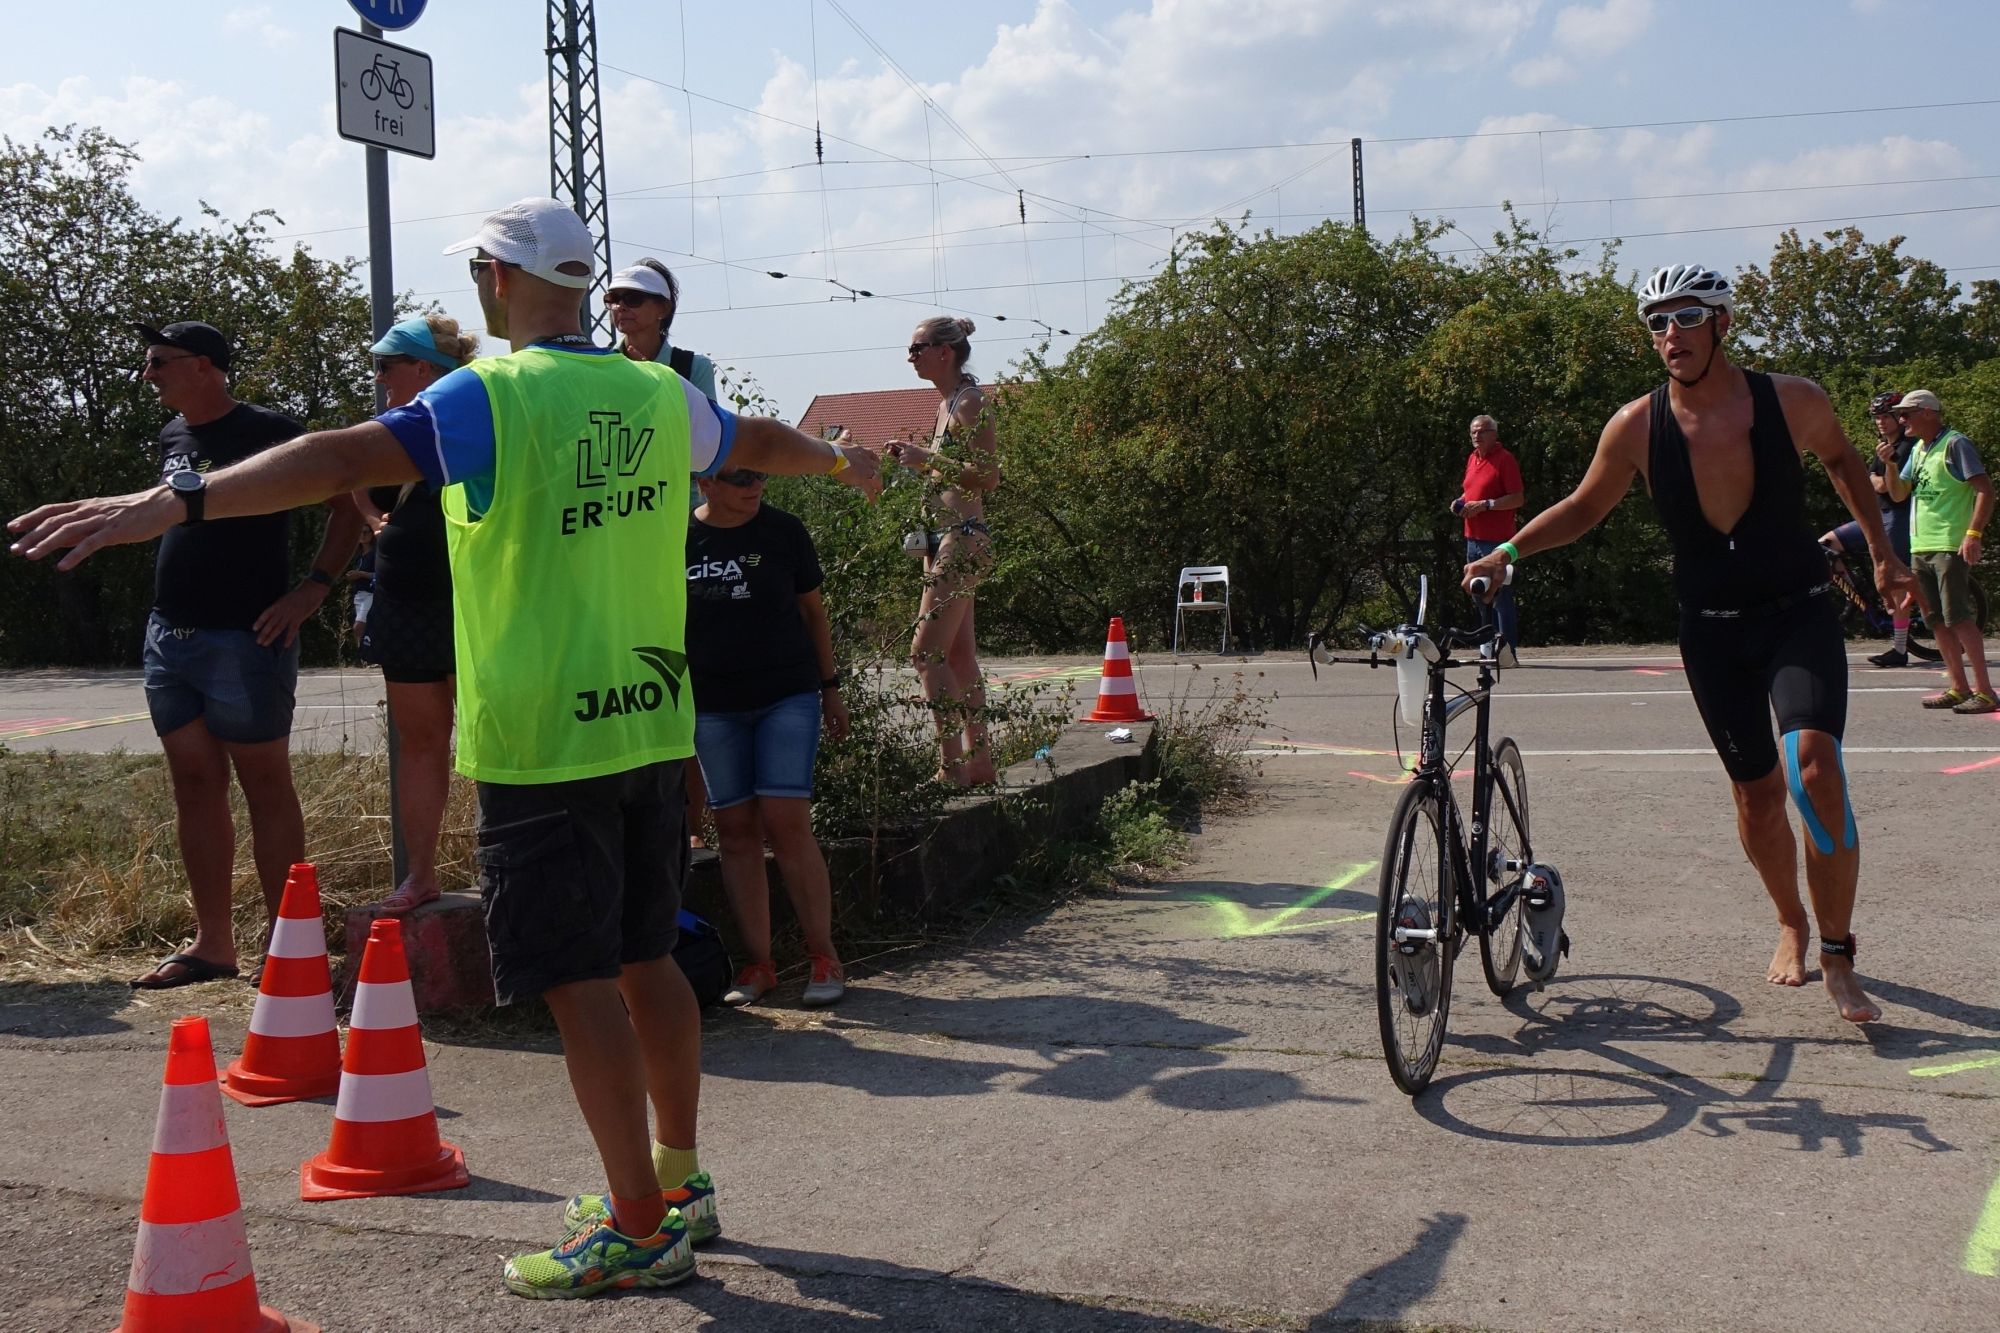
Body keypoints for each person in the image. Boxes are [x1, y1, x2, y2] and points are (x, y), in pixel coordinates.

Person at [10, 197, 882, 1299]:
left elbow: (338, 456)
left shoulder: (494, 393)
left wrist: (176, 500)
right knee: (645, 955)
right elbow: (755, 441)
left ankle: (635, 1226)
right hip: (652, 724)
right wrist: (838, 461)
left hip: (545, 737)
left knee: (576, 977)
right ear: (581, 282)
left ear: (495, 277)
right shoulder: (657, 391)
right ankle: (676, 1180)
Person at [1464, 264, 1916, 1026]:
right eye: (1657, 323)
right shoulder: (1637, 427)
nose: (1670, 334)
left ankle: (1839, 953)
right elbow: (1583, 506)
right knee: (1758, 797)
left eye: (1686, 317)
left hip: (1798, 613)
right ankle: (1791, 921)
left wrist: (1882, 552)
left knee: (1814, 769)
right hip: (1712, 629)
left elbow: (1844, 460)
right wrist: (1507, 553)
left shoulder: (1791, 400)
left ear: (1722, 324)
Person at [124, 320, 365, 989]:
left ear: (204, 366)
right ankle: (213, 946)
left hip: (247, 635)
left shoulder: (270, 430)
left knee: (265, 785)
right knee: (194, 783)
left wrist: (313, 590)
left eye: (159, 361)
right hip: (170, 635)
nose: (148, 373)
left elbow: (347, 506)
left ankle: (290, 948)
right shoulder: (173, 435)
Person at [685, 468, 849, 1008]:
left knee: (786, 821)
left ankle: (824, 956)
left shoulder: (784, 530)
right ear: (705, 482)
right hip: (712, 705)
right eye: (738, 477)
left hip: (787, 694)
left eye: (758, 474)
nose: (753, 485)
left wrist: (831, 689)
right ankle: (759, 965)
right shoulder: (678, 538)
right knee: (735, 831)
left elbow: (813, 612)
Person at [352, 315, 479, 913]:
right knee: (421, 744)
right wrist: (374, 522)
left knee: (489, 745)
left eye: (386, 366)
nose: (379, 377)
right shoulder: (388, 431)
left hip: (469, 603)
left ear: (423, 368)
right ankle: (421, 877)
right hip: (403, 605)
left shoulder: (473, 420)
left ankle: (501, 873)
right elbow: (349, 476)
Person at [889, 316, 1001, 787]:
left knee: (924, 655)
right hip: (943, 540)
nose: (910, 357)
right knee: (957, 658)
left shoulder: (971, 401)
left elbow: (988, 476)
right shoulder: (945, 404)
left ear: (945, 351)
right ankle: (980, 763)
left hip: (964, 536)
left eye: (917, 348)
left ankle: (951, 767)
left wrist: (927, 459)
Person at [1887, 389, 1995, 712]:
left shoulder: (1955, 444)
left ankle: (1985, 691)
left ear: (1928, 412)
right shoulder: (1920, 448)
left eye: (1906, 413)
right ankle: (1959, 687)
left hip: (1948, 543)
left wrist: (1973, 534)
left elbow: (1985, 490)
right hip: (1921, 544)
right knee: (1935, 620)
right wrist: (1890, 465)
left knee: (1958, 617)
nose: (1901, 420)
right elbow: (1898, 493)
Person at [1820, 391, 1920, 667]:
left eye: (1886, 417)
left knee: (1894, 581)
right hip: (1877, 516)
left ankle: (1899, 649)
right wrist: (1875, 478)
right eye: (1877, 418)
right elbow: (1871, 480)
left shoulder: (1908, 447)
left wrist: (1877, 478)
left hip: (1898, 517)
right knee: (1825, 546)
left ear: (1899, 417)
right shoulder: (1884, 446)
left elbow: (1882, 485)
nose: (1880, 422)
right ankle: (1861, 598)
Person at [1451, 414, 1525, 655]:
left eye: (1482, 431)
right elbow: (1471, 491)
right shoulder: (1473, 458)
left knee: (1500, 595)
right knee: (1478, 592)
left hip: (1496, 540)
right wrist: (1461, 502)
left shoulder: (1505, 459)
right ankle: (1487, 645)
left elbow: (1517, 498)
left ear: (1494, 434)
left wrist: (1486, 505)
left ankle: (1507, 651)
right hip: (1472, 537)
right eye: (1473, 431)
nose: (1477, 436)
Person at [608, 259, 716, 399]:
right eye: (614, 299)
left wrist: (652, 379)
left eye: (633, 299)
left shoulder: (695, 367)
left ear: (664, 309)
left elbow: (704, 414)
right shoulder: (601, 364)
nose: (620, 307)